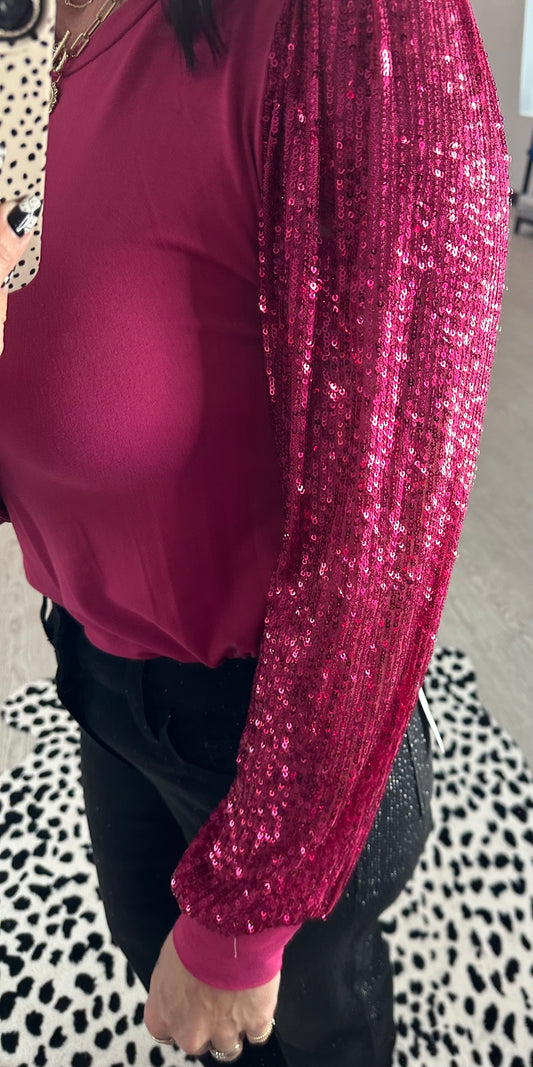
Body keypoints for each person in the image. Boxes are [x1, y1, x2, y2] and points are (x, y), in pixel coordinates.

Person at [0, 0, 510, 1063]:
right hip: (94, 664)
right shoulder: (35, 25)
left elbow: (387, 532)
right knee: (149, 955)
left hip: (266, 731)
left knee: (309, 1032)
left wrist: (249, 908)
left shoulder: (358, 26)